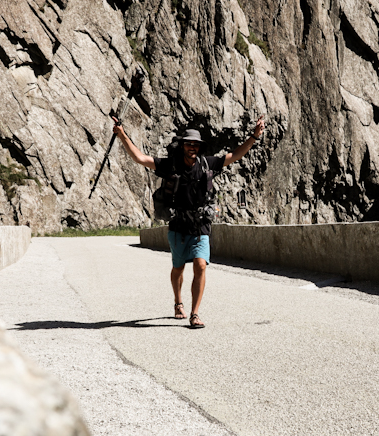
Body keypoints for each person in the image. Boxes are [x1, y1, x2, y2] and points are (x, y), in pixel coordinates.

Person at [112, 116, 266, 328]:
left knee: (201, 266)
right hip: (178, 226)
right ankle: (178, 302)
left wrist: (254, 137)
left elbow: (235, 155)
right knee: (178, 269)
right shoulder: (170, 165)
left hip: (201, 224)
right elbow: (139, 158)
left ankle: (195, 314)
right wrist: (122, 134)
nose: (193, 147)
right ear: (183, 145)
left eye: (196, 144)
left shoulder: (207, 164)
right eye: (189, 144)